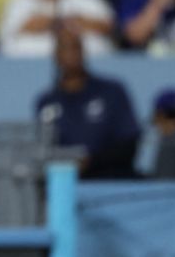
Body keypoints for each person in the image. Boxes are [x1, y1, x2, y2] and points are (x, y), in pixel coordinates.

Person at [36, 29, 141, 180]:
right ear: (55, 56)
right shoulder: (46, 102)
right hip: (66, 185)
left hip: (110, 181)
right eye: (65, 48)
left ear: (84, 52)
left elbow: (129, 143)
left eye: (76, 47)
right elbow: (46, 149)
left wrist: (91, 162)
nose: (72, 54)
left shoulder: (111, 92)